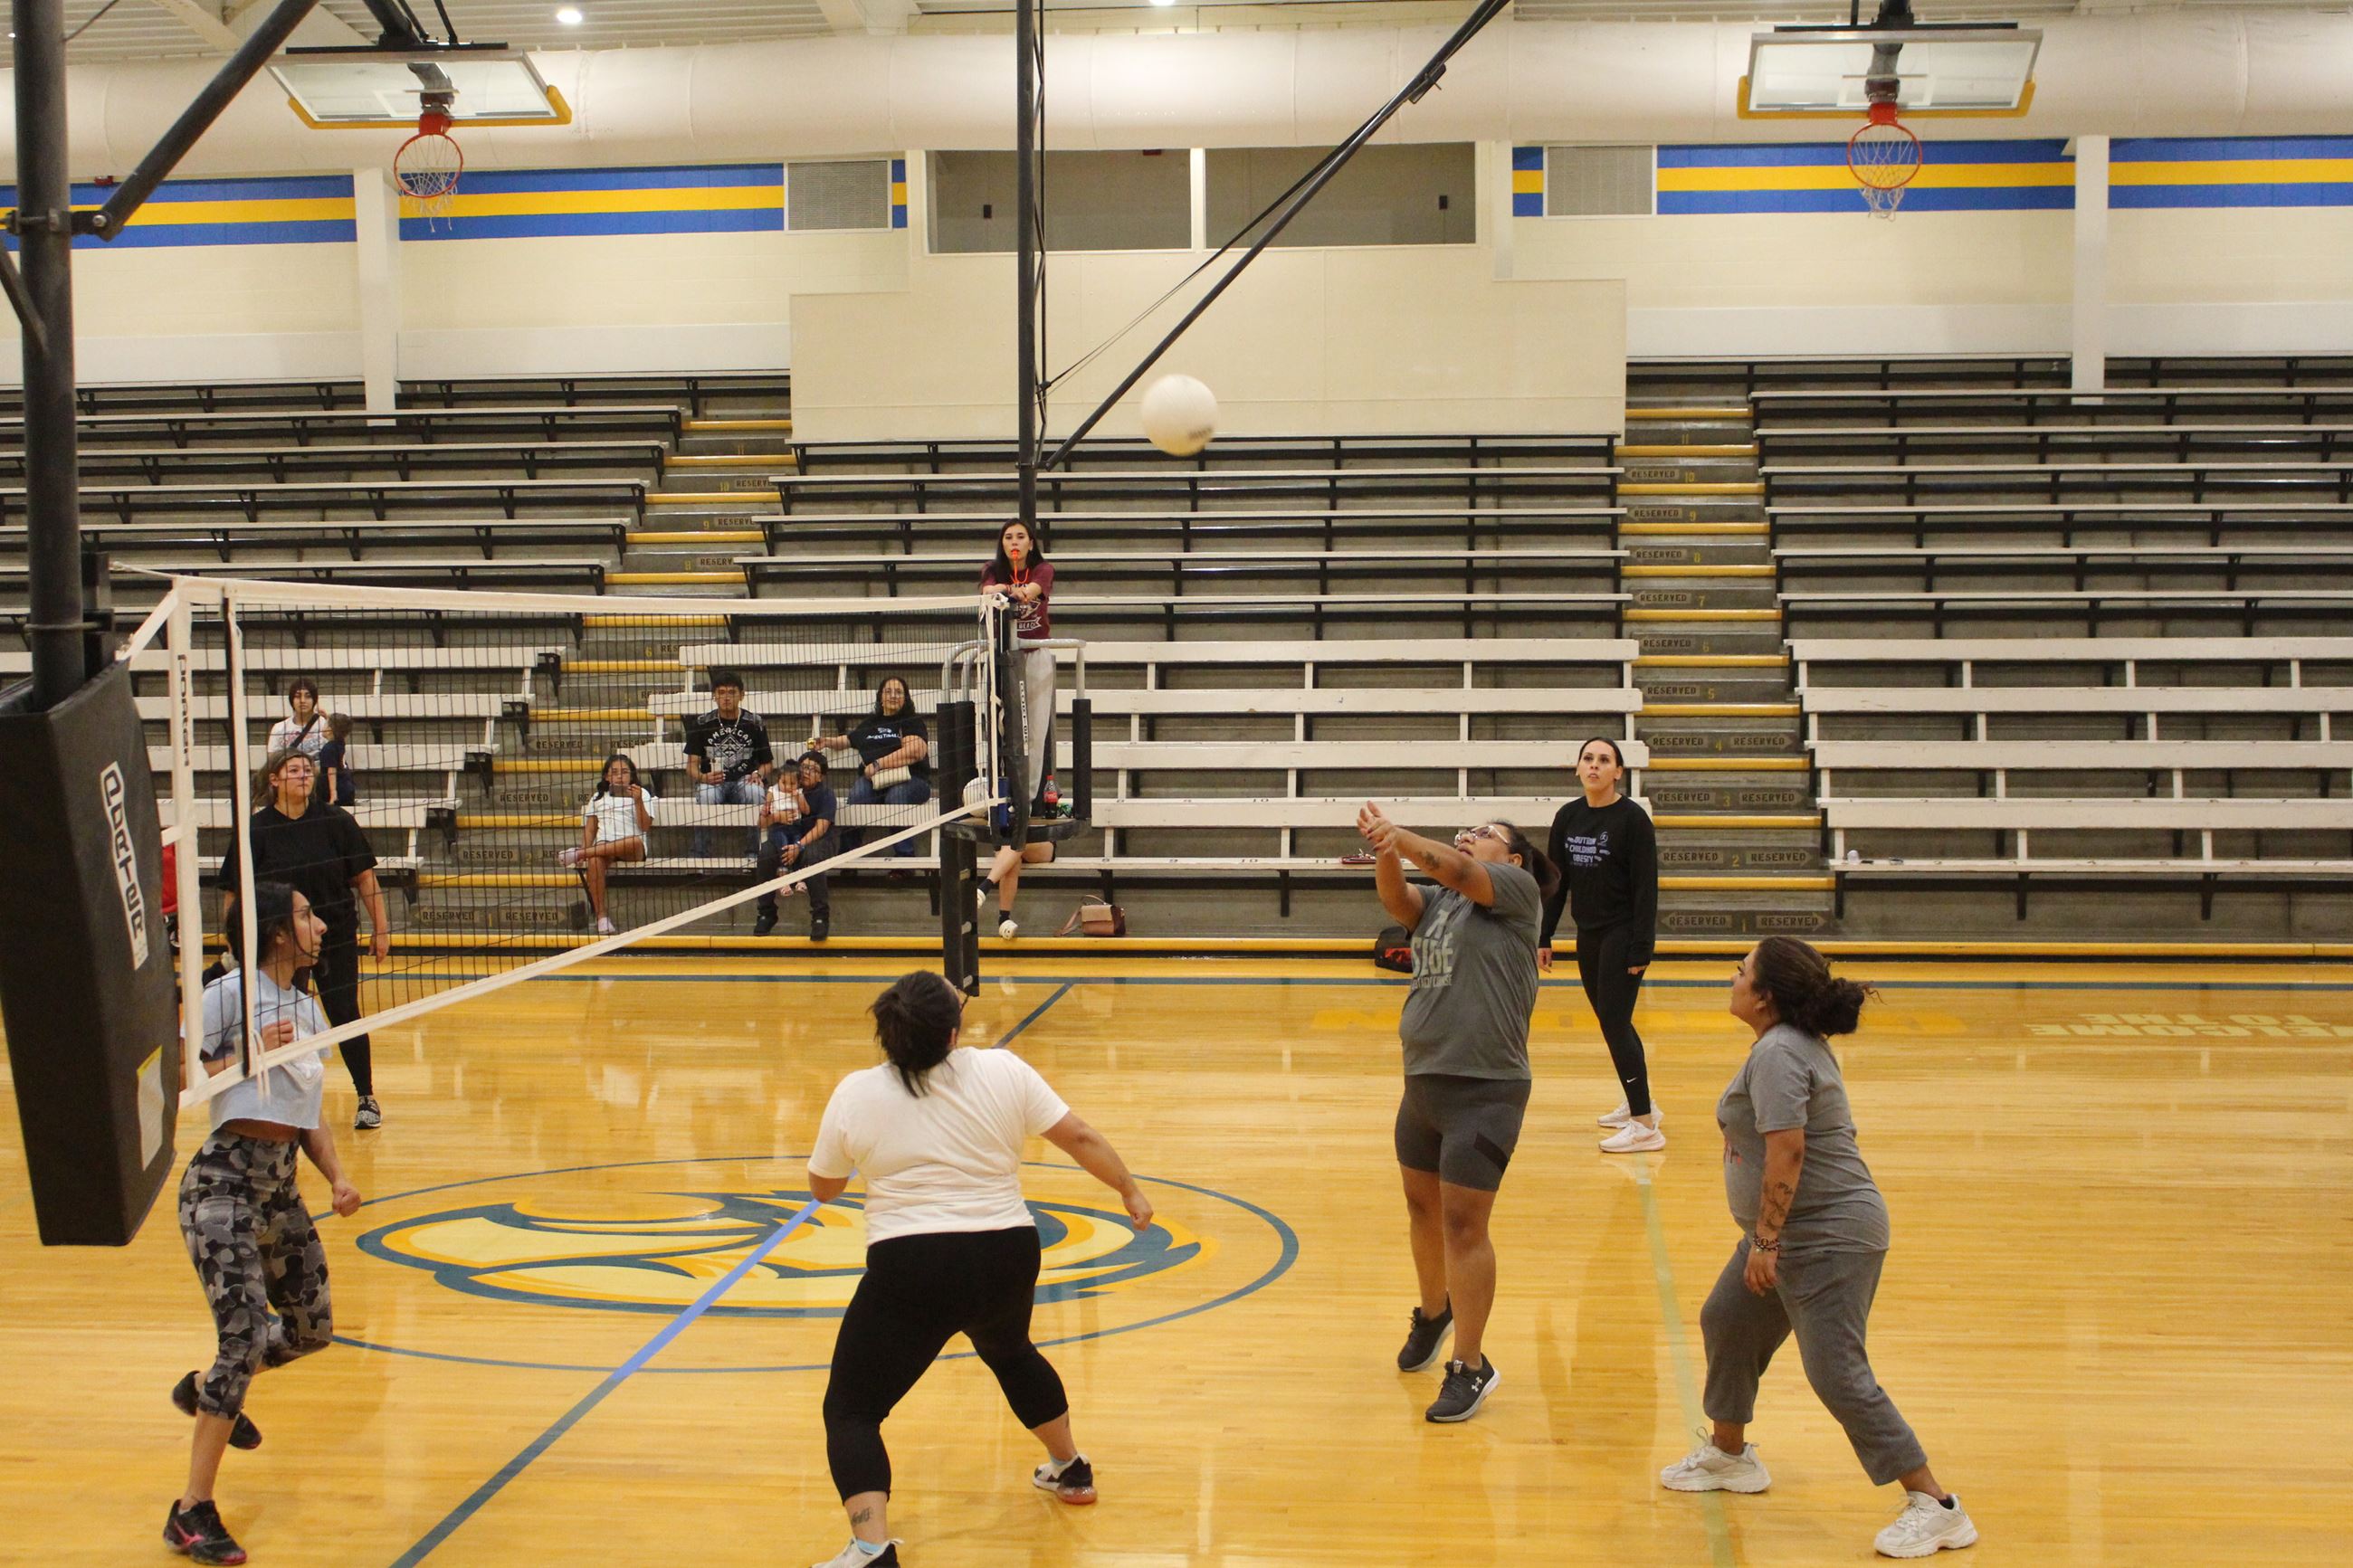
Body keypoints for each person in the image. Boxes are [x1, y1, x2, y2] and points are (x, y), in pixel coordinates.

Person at [806, 970, 1153, 1568]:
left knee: (852, 1409)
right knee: (1010, 1350)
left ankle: (870, 1549)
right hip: (1006, 1252)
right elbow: (1077, 1135)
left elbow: (825, 1188)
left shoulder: (856, 1092)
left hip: (913, 1264)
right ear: (952, 1033)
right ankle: (1070, 1467)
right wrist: (1129, 1189)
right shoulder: (1003, 1070)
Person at [1660, 937, 1978, 1561]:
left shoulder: (1780, 1052)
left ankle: (1937, 1505)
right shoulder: (1784, 1044)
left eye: (1741, 971)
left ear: (1765, 996)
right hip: (1796, 1231)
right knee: (1728, 1318)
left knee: (1837, 1372)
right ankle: (1729, 1454)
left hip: (1827, 1236)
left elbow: (1788, 1151)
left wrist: (1766, 1239)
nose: (1732, 977)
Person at [166, 880, 362, 1567]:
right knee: (245, 1334)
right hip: (221, 1183)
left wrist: (336, 1175)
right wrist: (250, 1046)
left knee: (311, 1328)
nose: (321, 926)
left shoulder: (307, 1007)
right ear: (277, 931)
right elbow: (182, 1076)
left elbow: (308, 1114)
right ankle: (191, 1511)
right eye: (307, 916)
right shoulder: (228, 992)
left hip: (280, 1188)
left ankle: (206, 1387)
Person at [1358, 803, 1559, 1425]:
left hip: (1486, 1088)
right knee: (1422, 1209)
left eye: (1485, 833)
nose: (1469, 836)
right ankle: (1434, 1311)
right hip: (1423, 1081)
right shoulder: (1443, 901)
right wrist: (1386, 851)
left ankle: (1471, 1364)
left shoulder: (1517, 891)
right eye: (1466, 830)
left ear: (1513, 857)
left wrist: (1401, 835)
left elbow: (1461, 871)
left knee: (1464, 1226)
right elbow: (1398, 900)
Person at [217, 751, 392, 1132]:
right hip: (279, 943)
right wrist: (234, 942)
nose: (304, 776)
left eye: (308, 771)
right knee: (280, 1019)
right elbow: (234, 891)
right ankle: (281, 1099)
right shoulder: (256, 830)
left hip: (333, 935)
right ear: (274, 780)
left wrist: (381, 929)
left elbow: (365, 878)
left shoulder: (336, 821)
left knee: (344, 1013)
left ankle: (366, 1097)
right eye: (294, 770)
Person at [1539, 736, 1663, 1154]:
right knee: (1615, 1021)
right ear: (1578, 768)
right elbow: (1556, 884)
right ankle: (1641, 1102)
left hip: (1623, 932)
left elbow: (1646, 888)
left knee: (1614, 1021)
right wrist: (1544, 934)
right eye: (1588, 758)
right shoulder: (1567, 816)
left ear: (1618, 772)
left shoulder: (1633, 820)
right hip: (1588, 932)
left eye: (1604, 760)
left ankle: (1644, 1126)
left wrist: (1642, 946)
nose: (1594, 765)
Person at [977, 521, 1059, 812]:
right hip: (1000, 656)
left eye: (1021, 537)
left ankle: (1026, 798)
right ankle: (996, 793)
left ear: (1031, 543)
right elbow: (988, 591)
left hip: (1034, 655)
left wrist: (1012, 592)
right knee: (996, 727)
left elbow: (1032, 591)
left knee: (1033, 730)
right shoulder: (991, 569)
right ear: (1002, 544)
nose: (1014, 542)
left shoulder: (1043, 569)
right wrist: (1000, 589)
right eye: (1008, 537)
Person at [812, 675, 933, 860]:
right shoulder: (870, 723)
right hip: (875, 781)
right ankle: (848, 856)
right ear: (881, 697)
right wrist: (827, 741)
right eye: (888, 691)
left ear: (906, 698)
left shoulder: (911, 721)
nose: (893, 696)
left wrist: (878, 764)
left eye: (899, 692)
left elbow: (915, 752)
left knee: (896, 796)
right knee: (858, 795)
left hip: (912, 779)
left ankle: (905, 857)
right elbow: (849, 740)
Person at [559, 754, 656, 936]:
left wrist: (637, 801)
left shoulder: (642, 793)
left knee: (634, 841)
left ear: (632, 775)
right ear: (606, 776)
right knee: (595, 860)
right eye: (615, 772)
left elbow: (644, 826)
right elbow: (590, 829)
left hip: (632, 847)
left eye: (625, 772)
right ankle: (601, 917)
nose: (620, 776)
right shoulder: (598, 797)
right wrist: (585, 846)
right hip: (604, 845)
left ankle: (581, 853)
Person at [682, 670, 773, 856]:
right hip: (712, 782)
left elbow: (767, 764)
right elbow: (691, 766)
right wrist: (703, 777)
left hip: (744, 781)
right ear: (714, 696)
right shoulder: (702, 723)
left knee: (756, 792)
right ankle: (700, 855)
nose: (726, 697)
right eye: (721, 692)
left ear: (742, 695)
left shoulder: (754, 723)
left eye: (731, 692)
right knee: (706, 795)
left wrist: (758, 774)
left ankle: (754, 853)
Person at [754, 751, 838, 942]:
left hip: (818, 841)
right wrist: (776, 817)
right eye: (805, 767)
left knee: (812, 857)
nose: (807, 772)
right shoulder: (781, 788)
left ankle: (820, 917)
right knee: (766, 853)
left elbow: (821, 828)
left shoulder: (826, 794)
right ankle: (766, 913)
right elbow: (762, 823)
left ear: (821, 777)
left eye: (813, 769)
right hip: (785, 837)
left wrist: (798, 846)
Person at [977, 832, 1054, 941]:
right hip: (1007, 844)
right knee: (1013, 856)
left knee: (1016, 843)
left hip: (1039, 843)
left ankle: (985, 887)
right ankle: (1004, 919)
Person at [263, 678, 328, 761]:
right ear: (292, 700)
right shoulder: (279, 729)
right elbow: (273, 761)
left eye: (308, 696)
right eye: (297, 696)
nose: (303, 701)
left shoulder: (325, 725)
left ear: (314, 700)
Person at [312, 713, 357, 809]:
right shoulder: (340, 742)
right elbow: (339, 725)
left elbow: (331, 771)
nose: (323, 725)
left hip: (337, 791)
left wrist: (333, 793)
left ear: (329, 730)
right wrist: (327, 716)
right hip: (347, 786)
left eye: (325, 723)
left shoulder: (328, 748)